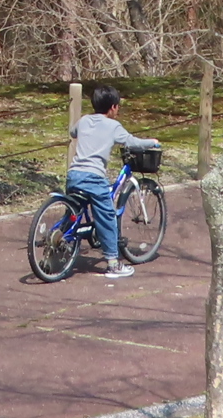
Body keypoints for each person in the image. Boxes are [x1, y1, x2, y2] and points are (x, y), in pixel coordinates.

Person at [66, 85, 162, 280]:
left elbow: (72, 132)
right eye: (117, 107)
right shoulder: (113, 126)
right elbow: (131, 141)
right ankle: (113, 263)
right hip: (94, 177)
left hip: (74, 174)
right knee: (108, 215)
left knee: (74, 209)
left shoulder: (84, 121)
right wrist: (152, 142)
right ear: (112, 107)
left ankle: (64, 243)